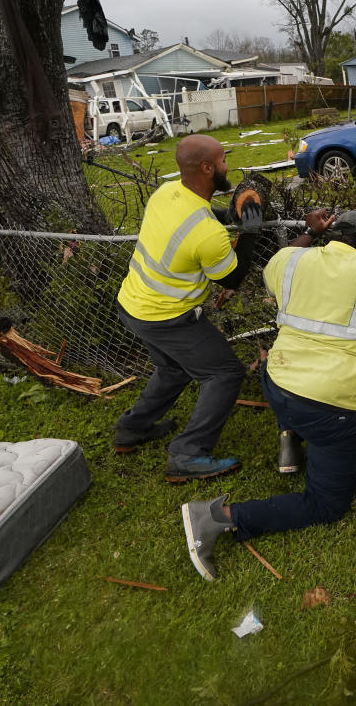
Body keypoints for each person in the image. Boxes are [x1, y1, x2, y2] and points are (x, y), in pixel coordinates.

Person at [180, 211, 356, 580]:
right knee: (326, 504)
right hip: (333, 409)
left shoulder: (291, 260)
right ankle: (216, 518)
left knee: (294, 396)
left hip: (278, 385)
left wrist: (307, 231)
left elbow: (277, 261)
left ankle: (290, 434)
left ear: (329, 236)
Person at [113, 134, 264, 483]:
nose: (228, 165)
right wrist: (251, 232)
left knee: (173, 369)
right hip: (167, 317)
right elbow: (231, 279)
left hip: (132, 304)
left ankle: (131, 430)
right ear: (208, 168)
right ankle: (188, 454)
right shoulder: (207, 235)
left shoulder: (167, 191)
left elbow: (198, 214)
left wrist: (229, 214)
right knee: (225, 373)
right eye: (224, 159)